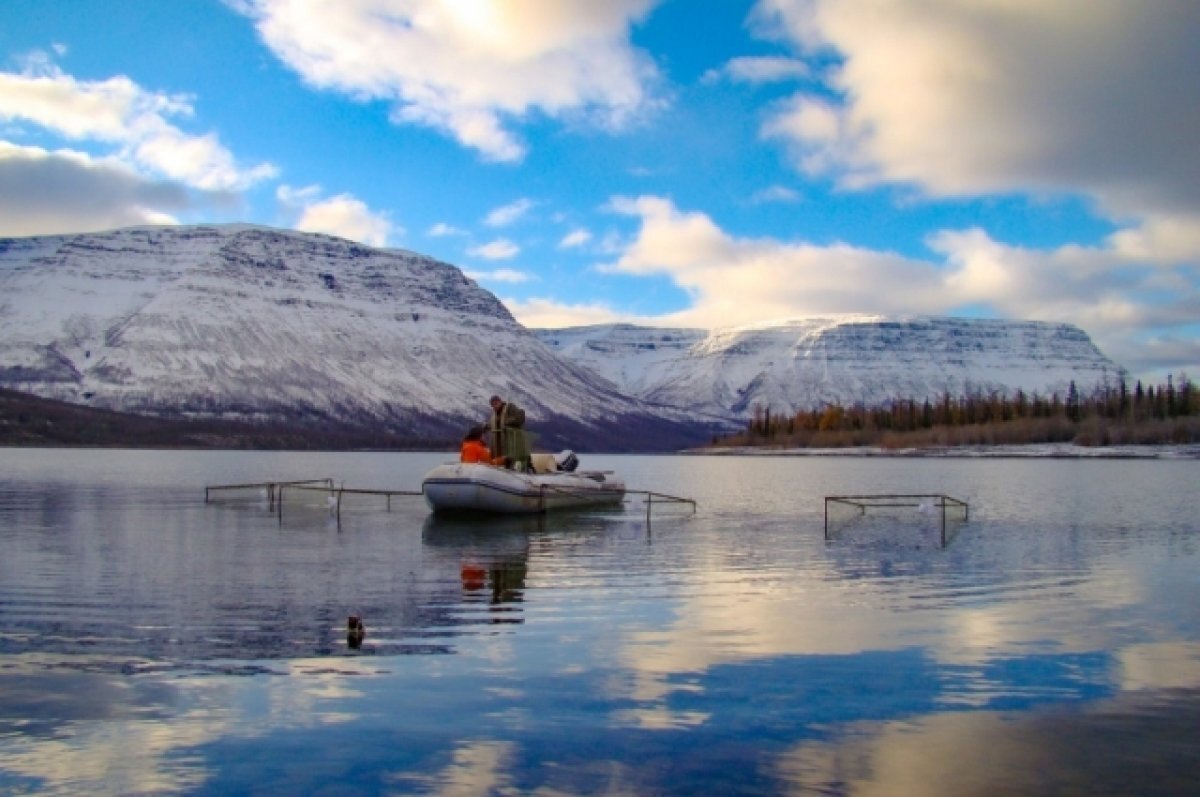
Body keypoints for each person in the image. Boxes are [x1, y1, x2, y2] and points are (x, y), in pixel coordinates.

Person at [487, 395, 530, 468]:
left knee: (512, 462)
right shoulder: (494, 415)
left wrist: (508, 422)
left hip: (512, 444)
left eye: (496, 403)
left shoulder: (510, 407)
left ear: (500, 402)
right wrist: (486, 427)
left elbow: (520, 417)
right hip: (498, 449)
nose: (495, 406)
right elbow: (492, 425)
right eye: (493, 405)